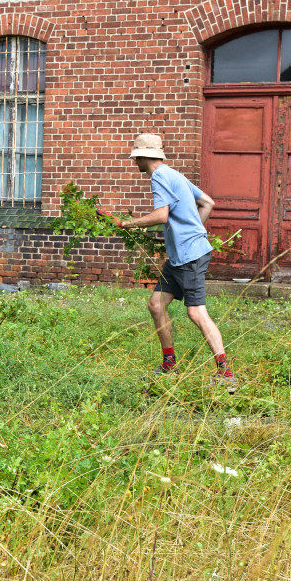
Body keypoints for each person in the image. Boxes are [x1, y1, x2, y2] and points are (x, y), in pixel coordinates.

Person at [98, 133, 236, 393]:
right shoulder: (175, 174)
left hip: (189, 256)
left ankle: (226, 373)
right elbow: (207, 202)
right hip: (180, 256)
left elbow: (162, 215)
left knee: (196, 312)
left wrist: (129, 223)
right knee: (155, 304)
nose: (134, 162)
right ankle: (170, 365)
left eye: (135, 157)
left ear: (142, 156)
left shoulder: (159, 177)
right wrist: (194, 231)